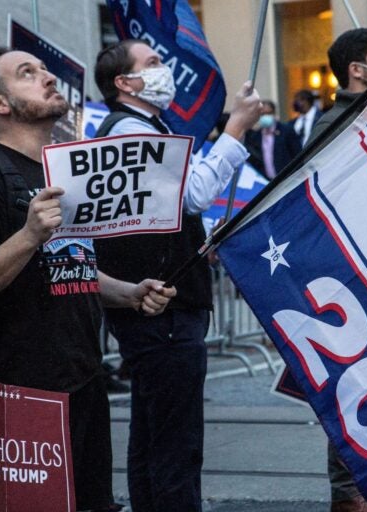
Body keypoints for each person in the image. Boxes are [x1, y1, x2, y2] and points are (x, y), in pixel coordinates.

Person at [0, 46, 176, 511]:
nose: (48, 78)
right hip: (23, 390)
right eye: (27, 74)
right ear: (0, 104)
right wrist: (30, 233)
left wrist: (129, 293)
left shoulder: (61, 168)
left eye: (45, 69)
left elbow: (70, 264)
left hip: (83, 380)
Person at [93, 39, 261, 511]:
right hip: (160, 309)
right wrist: (236, 129)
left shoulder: (143, 125)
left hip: (159, 303)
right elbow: (191, 195)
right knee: (174, 440)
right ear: (125, 83)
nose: (163, 69)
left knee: (154, 431)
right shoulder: (130, 129)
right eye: (152, 63)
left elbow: (163, 212)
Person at [305, 27, 367, 512]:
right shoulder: (336, 126)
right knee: (355, 395)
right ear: (357, 70)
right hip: (353, 286)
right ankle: (350, 499)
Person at [245, 99, 302, 179]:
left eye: (268, 113)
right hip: (266, 182)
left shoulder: (286, 131)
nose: (265, 116)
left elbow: (297, 155)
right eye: (262, 114)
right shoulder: (255, 136)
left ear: (274, 114)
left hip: (287, 179)